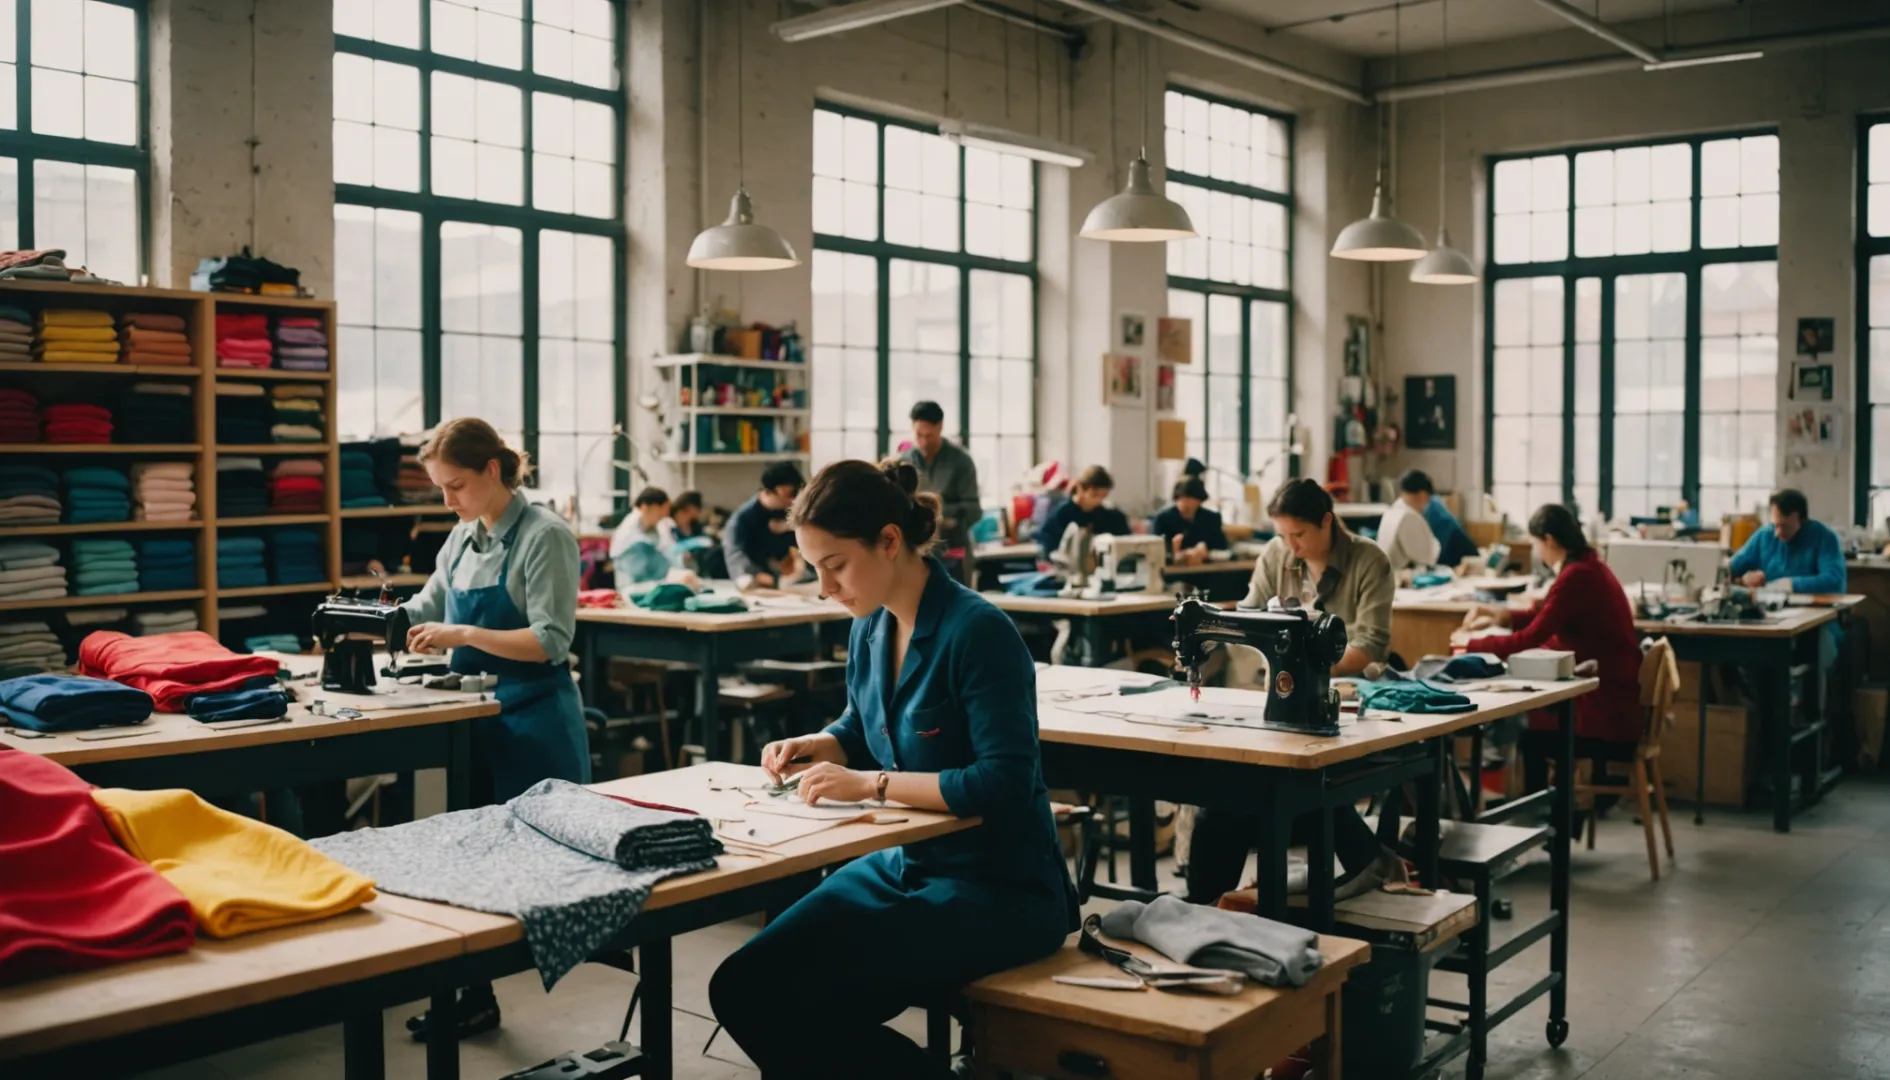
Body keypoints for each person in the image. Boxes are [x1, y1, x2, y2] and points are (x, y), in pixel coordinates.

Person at [709, 458, 1078, 1080]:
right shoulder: (871, 624)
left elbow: (1004, 783)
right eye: (813, 569)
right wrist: (819, 743)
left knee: (802, 1004)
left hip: (999, 887)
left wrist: (870, 784)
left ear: (889, 540)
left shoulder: (978, 632)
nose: (825, 587)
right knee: (741, 987)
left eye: (835, 566)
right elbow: (861, 726)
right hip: (909, 864)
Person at [399, 418, 586, 1041]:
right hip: (474, 718)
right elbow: (428, 606)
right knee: (468, 865)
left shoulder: (546, 536)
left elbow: (551, 639)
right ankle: (473, 998)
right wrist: (368, 616)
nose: (447, 502)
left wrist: (465, 635)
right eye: (440, 489)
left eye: (455, 487)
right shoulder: (461, 538)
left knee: (531, 873)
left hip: (534, 719)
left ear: (493, 472)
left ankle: (517, 995)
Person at [1188, 479, 1400, 905]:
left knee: (1287, 782)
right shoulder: (1277, 554)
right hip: (1284, 700)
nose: (1291, 546)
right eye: (1282, 535)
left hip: (1349, 698)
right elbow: (1249, 615)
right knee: (1222, 794)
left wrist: (1308, 665)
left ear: (1327, 521)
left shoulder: (1369, 560)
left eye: (1299, 534)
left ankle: (1360, 858)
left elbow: (1372, 643)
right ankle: (1206, 907)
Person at [1458, 503, 1644, 793]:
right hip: (1613, 698)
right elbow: (1547, 615)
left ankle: (1545, 818)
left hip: (1606, 711)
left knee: (1530, 735)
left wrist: (1469, 645)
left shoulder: (1577, 576)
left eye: (1536, 543)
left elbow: (1531, 637)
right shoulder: (1589, 566)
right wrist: (1500, 615)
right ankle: (1548, 814)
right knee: (1533, 721)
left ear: (1550, 541)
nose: (1537, 551)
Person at [1730, 488, 1846, 596]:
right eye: (1775, 525)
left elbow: (1834, 581)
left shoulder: (1824, 537)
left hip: (1813, 610)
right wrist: (1744, 579)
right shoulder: (1765, 535)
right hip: (1771, 607)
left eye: (1783, 526)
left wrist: (1790, 585)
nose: (1777, 533)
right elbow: (1732, 568)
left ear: (1798, 518)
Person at [904, 400, 982, 551]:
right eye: (919, 435)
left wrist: (940, 518)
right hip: (914, 550)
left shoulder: (961, 461)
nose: (924, 442)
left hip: (953, 547)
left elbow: (974, 510)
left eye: (929, 435)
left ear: (940, 426)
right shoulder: (904, 462)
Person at [722, 461, 804, 586]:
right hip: (763, 579)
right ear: (769, 491)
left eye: (796, 494)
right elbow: (735, 553)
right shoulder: (743, 519)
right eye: (789, 494)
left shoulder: (796, 509)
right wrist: (752, 575)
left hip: (798, 579)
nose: (793, 500)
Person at [1037, 464, 1131, 557]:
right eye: (1094, 495)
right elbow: (1048, 544)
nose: (1098, 501)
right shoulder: (1061, 515)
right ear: (1080, 489)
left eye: (1103, 497)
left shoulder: (1111, 517)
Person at [1404, 469, 1479, 569]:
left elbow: (1436, 550)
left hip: (1459, 553)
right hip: (1453, 550)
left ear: (1421, 495)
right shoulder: (1432, 504)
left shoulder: (1433, 511)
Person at [1151, 476, 1228, 566]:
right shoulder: (1163, 519)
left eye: (1190, 499)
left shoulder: (1211, 518)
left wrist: (1206, 550)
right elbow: (1154, 552)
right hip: (1173, 571)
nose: (1185, 503)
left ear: (1199, 500)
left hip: (1206, 569)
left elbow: (1222, 547)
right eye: (1180, 498)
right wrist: (1176, 553)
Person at [608, 486, 675, 589]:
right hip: (632, 588)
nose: (663, 517)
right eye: (660, 512)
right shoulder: (628, 533)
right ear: (645, 507)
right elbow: (638, 569)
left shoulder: (654, 528)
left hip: (649, 584)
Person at [1375, 469, 1443, 570]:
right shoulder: (1409, 517)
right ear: (1423, 495)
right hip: (1401, 578)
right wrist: (1436, 545)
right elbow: (1426, 557)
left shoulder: (1392, 511)